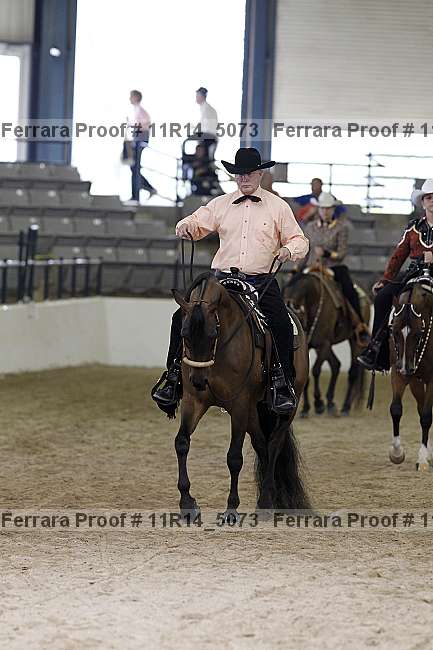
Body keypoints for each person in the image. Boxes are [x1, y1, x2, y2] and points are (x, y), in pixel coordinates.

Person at [152, 147, 310, 415]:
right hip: (222, 281)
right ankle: (173, 376)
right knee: (182, 317)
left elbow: (300, 240)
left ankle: (281, 382)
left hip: (261, 280)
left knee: (281, 322)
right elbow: (196, 222)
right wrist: (185, 225)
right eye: (239, 174)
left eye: (249, 173)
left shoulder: (278, 207)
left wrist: (288, 249)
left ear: (259, 174)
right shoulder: (221, 204)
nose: (244, 178)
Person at [358, 179, 433, 371]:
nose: (432, 201)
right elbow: (398, 256)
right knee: (383, 297)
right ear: (423, 202)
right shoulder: (413, 227)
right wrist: (386, 279)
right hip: (414, 274)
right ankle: (377, 351)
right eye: (428, 198)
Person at [303, 192, 370, 344]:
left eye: (328, 208)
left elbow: (341, 253)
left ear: (333, 209)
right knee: (293, 288)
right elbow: (305, 251)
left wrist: (326, 253)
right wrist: (296, 268)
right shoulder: (310, 227)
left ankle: (360, 324)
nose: (325, 211)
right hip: (312, 266)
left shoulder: (341, 227)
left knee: (349, 289)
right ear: (318, 209)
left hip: (333, 267)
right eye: (322, 208)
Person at [126, 90, 156, 204]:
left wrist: (131, 124)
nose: (129, 98)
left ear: (136, 97)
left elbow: (144, 125)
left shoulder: (140, 110)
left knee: (135, 167)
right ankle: (144, 190)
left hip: (139, 140)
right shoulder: (137, 110)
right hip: (138, 139)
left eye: (131, 96)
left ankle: (138, 194)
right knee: (134, 167)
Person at [195, 86, 218, 162]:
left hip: (208, 139)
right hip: (206, 138)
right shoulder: (203, 108)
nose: (196, 98)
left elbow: (207, 128)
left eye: (197, 96)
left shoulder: (208, 110)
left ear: (202, 96)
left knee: (205, 162)